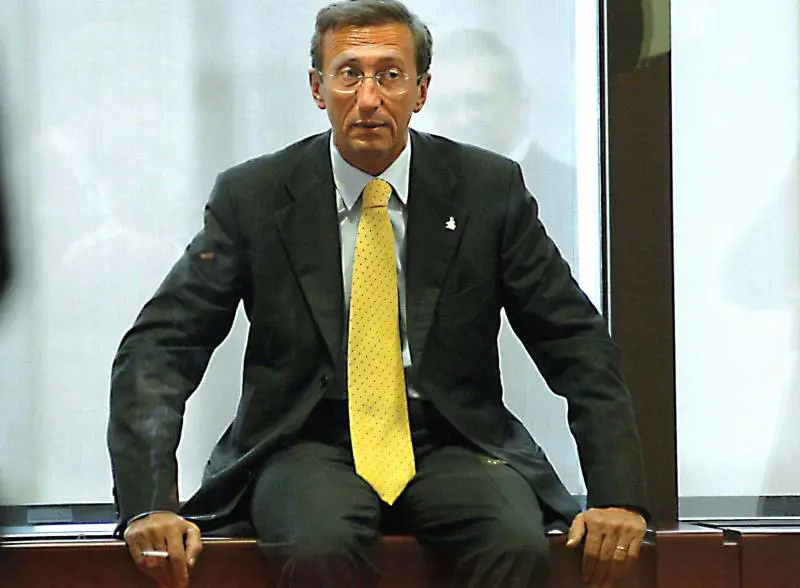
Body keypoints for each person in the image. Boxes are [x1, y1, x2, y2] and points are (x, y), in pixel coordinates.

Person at [108, 2, 648, 587]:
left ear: (421, 90)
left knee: (514, 542)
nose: (369, 98)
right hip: (305, 440)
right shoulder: (255, 196)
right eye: (349, 74)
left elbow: (576, 342)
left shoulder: (487, 190)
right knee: (319, 545)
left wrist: (617, 496)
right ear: (318, 89)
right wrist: (149, 505)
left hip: (451, 437)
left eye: (390, 75)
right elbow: (161, 347)